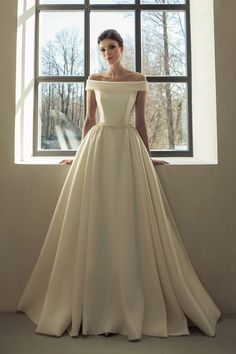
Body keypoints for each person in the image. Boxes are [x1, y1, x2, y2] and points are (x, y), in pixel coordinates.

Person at [17, 29, 221, 341]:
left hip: (127, 148)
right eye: (102, 49)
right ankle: (95, 304)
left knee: (127, 219)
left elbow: (140, 123)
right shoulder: (94, 79)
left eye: (111, 47)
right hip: (97, 149)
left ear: (121, 48)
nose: (107, 53)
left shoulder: (138, 79)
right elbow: (88, 121)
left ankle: (126, 303)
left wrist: (148, 158)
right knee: (97, 219)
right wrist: (78, 155)